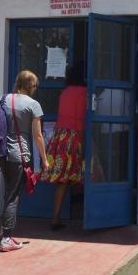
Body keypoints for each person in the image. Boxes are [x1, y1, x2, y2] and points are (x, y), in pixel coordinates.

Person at [0, 70, 49, 252]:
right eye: (35, 86)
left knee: (8, 193)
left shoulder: (4, 100)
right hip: (20, 155)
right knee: (13, 197)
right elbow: (37, 135)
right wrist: (44, 160)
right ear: (31, 86)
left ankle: (3, 231)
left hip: (3, 154)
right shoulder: (33, 105)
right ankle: (6, 239)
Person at [41, 63, 87, 230]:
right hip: (74, 137)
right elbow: (80, 119)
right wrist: (84, 143)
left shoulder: (65, 92)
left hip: (60, 136)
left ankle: (55, 217)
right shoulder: (84, 92)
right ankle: (90, 215)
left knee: (62, 179)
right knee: (89, 174)